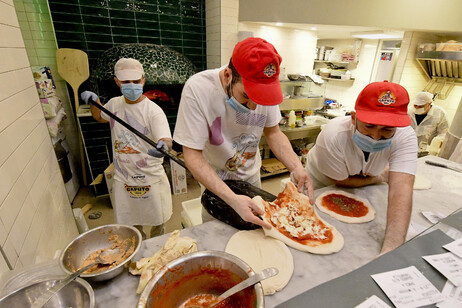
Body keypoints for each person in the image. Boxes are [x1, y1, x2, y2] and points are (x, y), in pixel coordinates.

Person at [173, 37, 314, 229]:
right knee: (218, 233)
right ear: (228, 76)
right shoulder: (199, 89)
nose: (255, 106)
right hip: (216, 180)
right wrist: (231, 198)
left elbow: (273, 133)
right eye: (247, 96)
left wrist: (296, 166)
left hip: (251, 175)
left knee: (256, 232)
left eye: (261, 99)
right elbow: (192, 155)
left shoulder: (264, 88)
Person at [305, 81, 417, 254]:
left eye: (387, 130)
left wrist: (392, 249)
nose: (375, 136)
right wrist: (378, 178)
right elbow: (340, 181)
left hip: (363, 183)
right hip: (322, 184)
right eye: (369, 126)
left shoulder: (405, 136)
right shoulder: (333, 135)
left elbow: (402, 187)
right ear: (353, 118)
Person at [81, 58, 173, 239]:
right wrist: (95, 101)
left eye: (136, 81)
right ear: (117, 82)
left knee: (157, 221)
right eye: (126, 82)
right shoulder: (115, 104)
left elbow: (166, 139)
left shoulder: (153, 110)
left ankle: (156, 245)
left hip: (149, 177)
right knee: (131, 222)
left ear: (143, 80)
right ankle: (138, 246)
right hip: (124, 176)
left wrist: (164, 145)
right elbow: (100, 116)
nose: (132, 85)